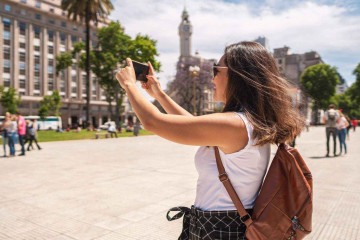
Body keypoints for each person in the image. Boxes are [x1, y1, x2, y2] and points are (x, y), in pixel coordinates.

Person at [115, 42, 303, 239]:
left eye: (216, 70)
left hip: (219, 231)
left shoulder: (236, 125)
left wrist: (129, 85)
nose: (212, 77)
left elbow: (154, 122)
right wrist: (159, 94)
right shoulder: (248, 122)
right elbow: (193, 124)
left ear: (238, 76)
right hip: (224, 225)